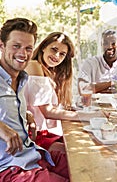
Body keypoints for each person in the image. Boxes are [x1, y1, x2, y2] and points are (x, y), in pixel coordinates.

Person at [0, 18, 69, 181]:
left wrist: (26, 116)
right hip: (9, 168)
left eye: (28, 48)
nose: (23, 54)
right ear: (1, 45)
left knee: (84, 167)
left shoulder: (22, 79)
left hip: (34, 155)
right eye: (16, 46)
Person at [78, 29, 117, 94]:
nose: (109, 46)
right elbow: (82, 89)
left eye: (113, 43)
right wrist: (112, 83)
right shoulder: (90, 63)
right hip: (94, 104)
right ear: (101, 45)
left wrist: (97, 88)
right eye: (105, 43)